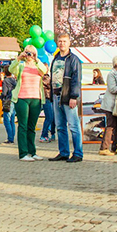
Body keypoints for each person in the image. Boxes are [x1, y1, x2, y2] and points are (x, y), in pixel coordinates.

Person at [47, 34, 83, 162]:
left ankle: (78, 153)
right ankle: (63, 152)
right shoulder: (55, 59)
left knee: (74, 126)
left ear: (69, 43)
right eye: (60, 41)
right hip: (56, 96)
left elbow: (76, 80)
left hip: (68, 96)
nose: (62, 43)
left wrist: (74, 96)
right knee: (60, 126)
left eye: (64, 41)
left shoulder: (73, 59)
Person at [8, 46, 47, 160]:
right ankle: (23, 153)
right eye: (28, 52)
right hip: (22, 98)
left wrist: (36, 60)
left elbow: (44, 71)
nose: (30, 55)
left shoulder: (37, 66)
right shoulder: (21, 65)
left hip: (36, 98)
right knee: (23, 126)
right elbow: (11, 69)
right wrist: (19, 58)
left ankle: (32, 152)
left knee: (32, 127)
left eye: (32, 53)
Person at [98, 56, 117, 156]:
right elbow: (112, 89)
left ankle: (115, 147)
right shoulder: (111, 74)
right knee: (110, 125)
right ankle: (104, 148)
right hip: (110, 105)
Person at [0, 70, 17, 145]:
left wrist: (0, 97)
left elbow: (4, 92)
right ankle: (12, 137)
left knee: (6, 120)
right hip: (14, 100)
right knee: (12, 120)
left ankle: (10, 138)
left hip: (7, 101)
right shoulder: (14, 80)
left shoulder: (5, 81)